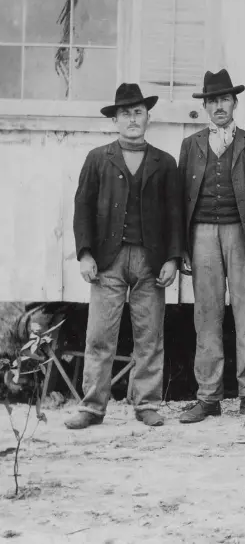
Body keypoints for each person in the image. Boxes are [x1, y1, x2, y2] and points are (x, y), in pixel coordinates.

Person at [66, 83, 182, 429]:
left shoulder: (165, 162)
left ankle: (146, 403)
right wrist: (85, 254)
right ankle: (91, 407)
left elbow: (175, 214)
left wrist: (172, 258)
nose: (132, 119)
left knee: (150, 335)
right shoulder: (98, 158)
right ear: (114, 120)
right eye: (125, 114)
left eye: (138, 112)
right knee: (100, 334)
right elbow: (82, 208)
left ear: (147, 117)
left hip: (151, 260)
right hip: (108, 259)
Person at [177, 69, 245, 424]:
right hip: (202, 234)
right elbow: (179, 201)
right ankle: (208, 397)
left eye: (224, 99)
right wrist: (182, 248)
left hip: (241, 234)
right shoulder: (191, 145)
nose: (218, 106)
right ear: (205, 107)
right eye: (212, 101)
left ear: (235, 103)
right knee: (206, 315)